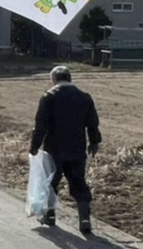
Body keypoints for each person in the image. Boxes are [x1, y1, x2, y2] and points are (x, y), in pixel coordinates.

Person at [28, 64, 102, 234]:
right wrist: (94, 142)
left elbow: (40, 126)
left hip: (53, 149)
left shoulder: (49, 97)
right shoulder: (84, 98)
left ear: (53, 80)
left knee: (51, 182)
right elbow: (92, 123)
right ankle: (84, 219)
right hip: (77, 148)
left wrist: (34, 146)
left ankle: (50, 215)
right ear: (70, 78)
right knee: (78, 182)